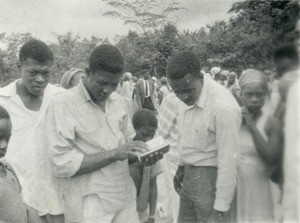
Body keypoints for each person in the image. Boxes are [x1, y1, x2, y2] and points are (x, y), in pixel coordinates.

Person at [42, 44, 162, 223]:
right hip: (89, 207)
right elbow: (61, 164)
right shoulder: (62, 104)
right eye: (102, 82)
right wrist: (114, 154)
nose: (107, 90)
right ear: (88, 72)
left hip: (124, 199)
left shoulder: (118, 102)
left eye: (114, 84)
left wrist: (143, 155)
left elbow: (127, 150)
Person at [166, 51, 241, 223]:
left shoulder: (223, 107)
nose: (183, 97)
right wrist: (182, 167)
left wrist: (221, 208)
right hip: (189, 180)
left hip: (213, 184)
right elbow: (186, 135)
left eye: (188, 91)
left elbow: (229, 162)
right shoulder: (184, 97)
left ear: (200, 76)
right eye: (177, 92)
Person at [0, 39, 64, 223]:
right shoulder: (2, 100)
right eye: (33, 72)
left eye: (46, 73)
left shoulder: (60, 99)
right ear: (19, 65)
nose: (40, 79)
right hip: (19, 205)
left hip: (58, 202)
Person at [237, 69, 282, 222]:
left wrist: (252, 127)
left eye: (259, 94)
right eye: (249, 95)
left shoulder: (271, 123)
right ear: (240, 95)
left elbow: (271, 158)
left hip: (259, 188)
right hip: (236, 188)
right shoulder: (233, 119)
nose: (254, 99)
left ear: (266, 96)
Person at [0, 105, 41, 223]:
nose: (4, 145)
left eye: (7, 139)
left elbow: (19, 201)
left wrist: (30, 213)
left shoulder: (7, 169)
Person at [156, 92, 185, 223]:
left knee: (174, 194)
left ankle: (165, 216)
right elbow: (161, 131)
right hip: (174, 157)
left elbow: (161, 131)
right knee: (176, 196)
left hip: (183, 157)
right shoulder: (173, 99)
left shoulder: (174, 98)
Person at [129, 109, 162, 223]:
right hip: (124, 208)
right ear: (133, 129)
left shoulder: (151, 150)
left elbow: (153, 185)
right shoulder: (124, 149)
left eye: (151, 137)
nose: (148, 140)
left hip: (141, 210)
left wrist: (152, 216)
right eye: (144, 135)